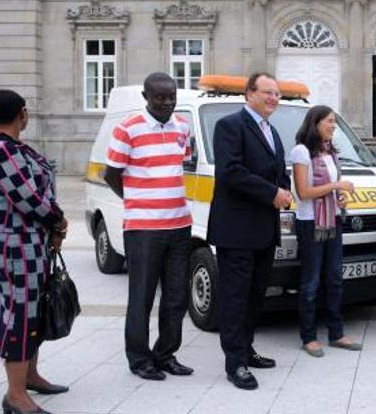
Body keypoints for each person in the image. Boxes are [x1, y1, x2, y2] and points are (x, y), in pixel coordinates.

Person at [0, 90, 69, 414]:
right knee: (18, 309)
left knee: (33, 305)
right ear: (22, 113)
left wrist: (53, 223)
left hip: (25, 236)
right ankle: (15, 395)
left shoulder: (11, 147)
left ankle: (30, 376)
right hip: (11, 238)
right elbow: (28, 198)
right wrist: (58, 218)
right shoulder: (3, 150)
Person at [104, 72, 195, 381]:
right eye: (160, 97)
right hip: (143, 228)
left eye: (171, 97)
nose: (167, 103)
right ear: (146, 97)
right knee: (141, 297)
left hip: (180, 225)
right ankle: (140, 360)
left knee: (176, 296)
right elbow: (111, 175)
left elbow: (178, 166)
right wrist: (138, 201)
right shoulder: (127, 128)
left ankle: (166, 353)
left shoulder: (182, 127)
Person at [207, 72, 292, 390]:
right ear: (249, 94)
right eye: (268, 92)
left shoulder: (272, 131)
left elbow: (278, 170)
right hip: (236, 229)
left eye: (277, 94)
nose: (274, 98)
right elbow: (230, 172)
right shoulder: (230, 126)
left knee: (255, 295)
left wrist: (283, 189)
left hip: (264, 229)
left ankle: (247, 348)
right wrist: (272, 193)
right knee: (235, 297)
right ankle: (235, 363)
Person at [290, 105, 363, 357]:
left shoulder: (330, 152)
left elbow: (331, 190)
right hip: (310, 223)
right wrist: (336, 185)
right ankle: (308, 337)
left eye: (334, 122)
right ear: (316, 123)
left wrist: (340, 196)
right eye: (329, 122)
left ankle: (336, 333)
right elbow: (304, 193)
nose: (333, 126)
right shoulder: (301, 151)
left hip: (332, 220)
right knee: (311, 283)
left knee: (334, 280)